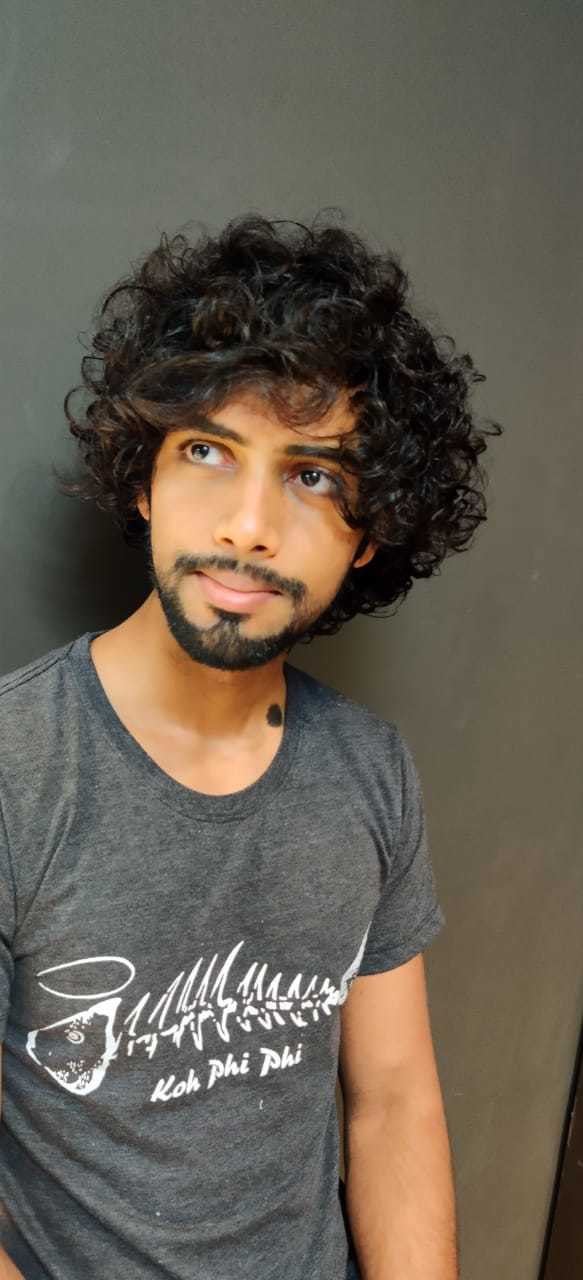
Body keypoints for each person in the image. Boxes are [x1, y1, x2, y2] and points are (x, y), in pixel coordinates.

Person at [0, 211, 501, 1279]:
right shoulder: (16, 766)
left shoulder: (368, 771)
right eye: (206, 452)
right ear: (142, 478)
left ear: (368, 531)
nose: (247, 525)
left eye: (313, 475)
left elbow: (393, 1100)